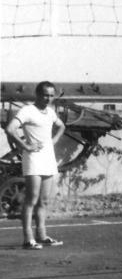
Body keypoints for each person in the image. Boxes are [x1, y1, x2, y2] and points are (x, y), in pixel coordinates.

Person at [5, 81, 66, 250]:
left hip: (48, 158)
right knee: (31, 199)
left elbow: (62, 126)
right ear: (38, 95)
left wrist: (53, 140)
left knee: (44, 200)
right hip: (33, 158)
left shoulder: (50, 112)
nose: (48, 98)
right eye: (45, 95)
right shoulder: (27, 111)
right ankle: (28, 239)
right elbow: (10, 129)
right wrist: (26, 146)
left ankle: (42, 236)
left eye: (51, 95)